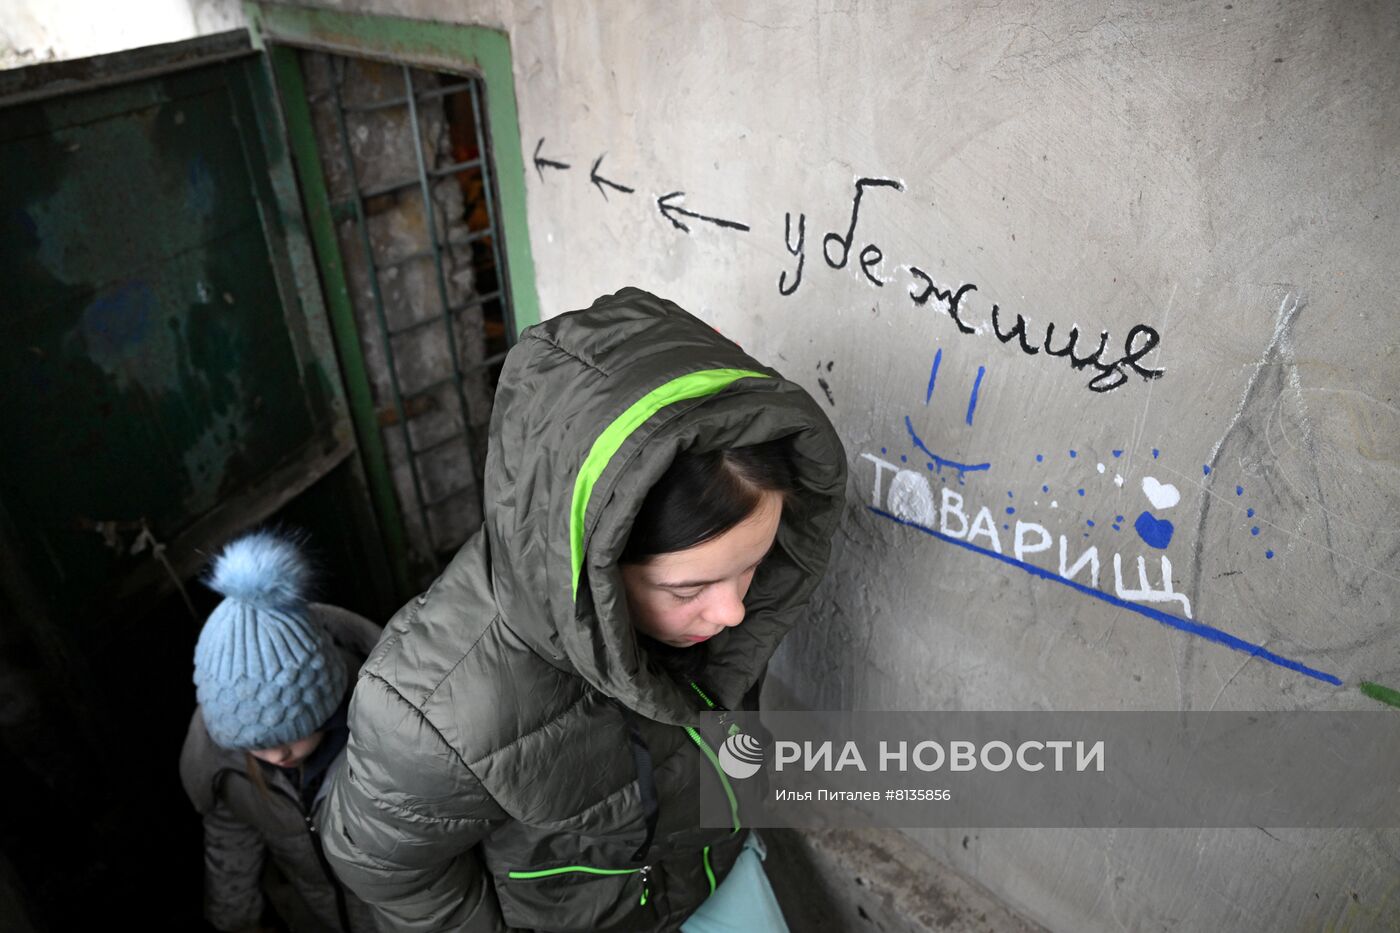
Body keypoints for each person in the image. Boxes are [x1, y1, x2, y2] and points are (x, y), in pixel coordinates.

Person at [321, 287, 847, 931]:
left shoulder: (706, 620)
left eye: (753, 567)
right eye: (690, 589)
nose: (734, 613)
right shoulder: (435, 717)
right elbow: (380, 867)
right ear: (594, 569)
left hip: (720, 873)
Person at [179, 531, 382, 933]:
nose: (276, 756)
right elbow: (230, 844)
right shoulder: (226, 770)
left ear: (324, 701)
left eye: (290, 733)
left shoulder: (385, 736)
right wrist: (233, 922)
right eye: (257, 746)